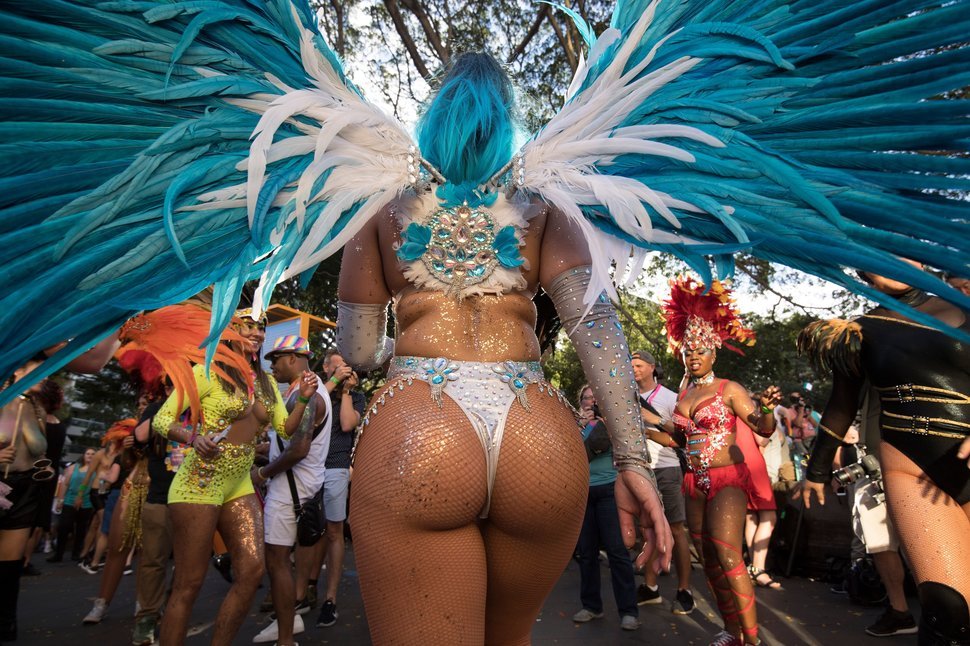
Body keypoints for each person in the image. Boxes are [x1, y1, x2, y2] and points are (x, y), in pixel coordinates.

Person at [336, 52, 670, 645]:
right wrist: (633, 462)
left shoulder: (380, 214)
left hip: (419, 434)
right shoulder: (545, 210)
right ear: (506, 125)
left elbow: (358, 352)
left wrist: (404, 353)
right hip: (536, 436)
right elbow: (598, 333)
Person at [799, 262, 970, 645]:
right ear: (863, 273)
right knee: (949, 613)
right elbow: (841, 404)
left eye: (899, 252)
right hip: (913, 473)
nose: (890, 265)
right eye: (875, 261)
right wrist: (817, 468)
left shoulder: (965, 299)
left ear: (920, 256)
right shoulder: (858, 332)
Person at [148, 306, 311, 645]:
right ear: (230, 331)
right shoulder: (206, 372)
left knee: (252, 572)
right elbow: (161, 421)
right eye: (247, 327)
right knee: (189, 584)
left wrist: (303, 401)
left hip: (239, 483)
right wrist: (194, 438)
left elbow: (284, 427)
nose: (256, 333)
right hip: (199, 482)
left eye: (261, 328)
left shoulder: (266, 384)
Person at [661, 276, 781, 646]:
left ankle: (753, 638)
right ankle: (732, 631)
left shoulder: (729, 389)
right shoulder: (684, 394)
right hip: (692, 482)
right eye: (688, 351)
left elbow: (762, 428)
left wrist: (769, 409)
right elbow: (677, 439)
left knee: (729, 556)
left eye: (700, 350)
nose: (693, 355)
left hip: (727, 479)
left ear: (714, 352)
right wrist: (637, 430)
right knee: (708, 560)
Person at [252, 336, 332, 646]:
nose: (271, 366)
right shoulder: (301, 392)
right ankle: (288, 622)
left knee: (278, 560)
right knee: (281, 559)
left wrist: (262, 472)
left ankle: (286, 636)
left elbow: (299, 449)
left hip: (291, 489)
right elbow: (286, 441)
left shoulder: (309, 395)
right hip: (293, 486)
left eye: (276, 358)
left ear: (294, 359)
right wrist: (259, 449)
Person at [572, 385, 641, 631]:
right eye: (586, 398)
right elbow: (570, 453)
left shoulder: (613, 422)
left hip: (611, 489)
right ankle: (591, 606)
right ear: (580, 402)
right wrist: (581, 425)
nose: (591, 402)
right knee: (586, 553)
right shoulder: (574, 424)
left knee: (617, 551)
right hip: (584, 491)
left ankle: (629, 611)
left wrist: (602, 423)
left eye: (595, 398)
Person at [632, 350, 695, 614]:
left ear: (652, 367)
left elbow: (684, 436)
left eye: (639, 365)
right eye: (630, 365)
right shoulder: (627, 397)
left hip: (667, 469)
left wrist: (655, 421)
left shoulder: (670, 398)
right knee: (648, 531)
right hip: (640, 470)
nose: (633, 369)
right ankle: (651, 588)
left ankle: (684, 590)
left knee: (676, 530)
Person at [0, 356, 54, 642]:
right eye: (39, 370)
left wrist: (43, 465)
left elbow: (38, 454)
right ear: (18, 369)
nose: (45, 377)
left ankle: (5, 624)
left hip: (27, 491)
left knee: (10, 567)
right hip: (0, 484)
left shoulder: (38, 410)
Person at [313, 349, 365, 629]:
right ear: (325, 367)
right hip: (307, 468)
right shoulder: (316, 390)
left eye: (347, 365)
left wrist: (345, 392)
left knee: (333, 531)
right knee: (307, 531)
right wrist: (333, 383)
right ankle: (303, 588)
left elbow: (347, 424)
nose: (345, 368)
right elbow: (306, 410)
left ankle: (329, 599)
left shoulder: (356, 396)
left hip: (335, 466)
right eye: (338, 365)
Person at [50, 447, 96, 562]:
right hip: (69, 501)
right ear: (83, 455)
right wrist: (60, 500)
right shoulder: (73, 468)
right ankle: (58, 554)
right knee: (63, 527)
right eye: (88, 453)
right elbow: (65, 484)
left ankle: (76, 553)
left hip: (86, 503)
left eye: (93, 454)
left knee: (81, 529)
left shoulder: (96, 470)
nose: (90, 455)